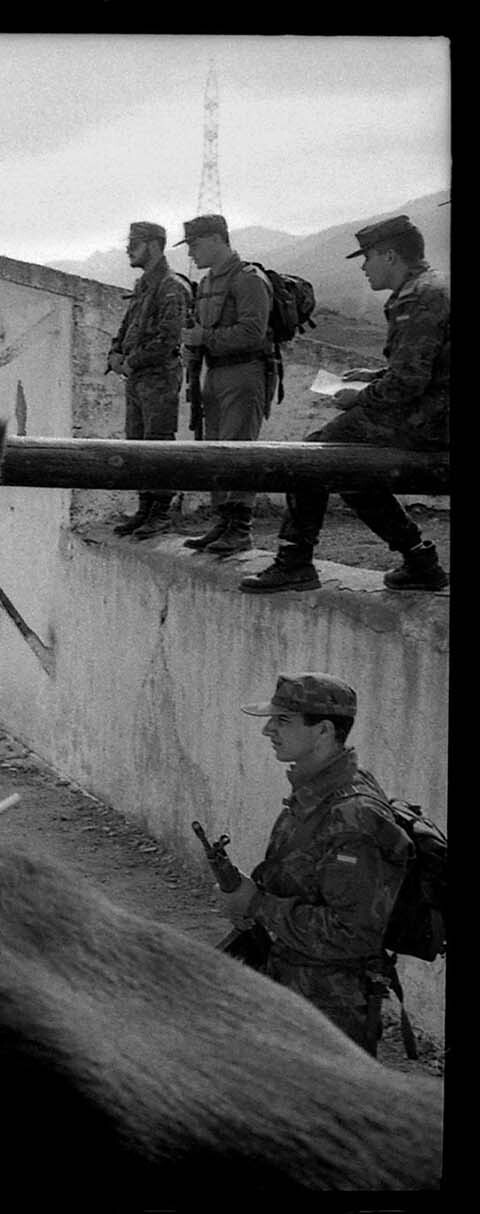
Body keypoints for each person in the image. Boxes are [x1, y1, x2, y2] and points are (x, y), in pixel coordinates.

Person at [241, 216, 450, 593]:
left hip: (430, 420)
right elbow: (425, 366)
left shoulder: (418, 297)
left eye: (367, 257)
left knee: (313, 457)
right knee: (351, 469)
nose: (364, 267)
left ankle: (294, 560)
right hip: (435, 413)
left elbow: (409, 382)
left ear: (389, 256)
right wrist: (371, 375)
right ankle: (419, 559)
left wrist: (359, 396)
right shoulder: (429, 288)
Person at [214, 673, 411, 1055]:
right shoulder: (315, 794)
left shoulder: (354, 815)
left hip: (328, 1013)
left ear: (323, 731)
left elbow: (351, 933)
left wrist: (257, 905)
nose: (268, 730)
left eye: (283, 720)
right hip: (294, 995)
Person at [176, 215, 273, 556]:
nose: (191, 252)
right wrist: (193, 346)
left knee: (240, 450)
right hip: (214, 373)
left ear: (217, 239)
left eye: (195, 244)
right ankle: (222, 523)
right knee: (215, 448)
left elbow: (253, 332)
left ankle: (240, 528)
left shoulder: (248, 279)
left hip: (244, 373)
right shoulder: (205, 284)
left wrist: (206, 337)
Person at [106, 220, 193, 539]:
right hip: (138, 379)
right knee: (137, 444)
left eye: (136, 242)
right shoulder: (144, 286)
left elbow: (169, 340)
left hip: (159, 377)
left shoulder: (171, 287)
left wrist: (130, 361)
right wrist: (114, 355)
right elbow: (126, 327)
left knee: (158, 444)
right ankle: (145, 508)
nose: (128, 248)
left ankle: (160, 513)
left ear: (155, 245)